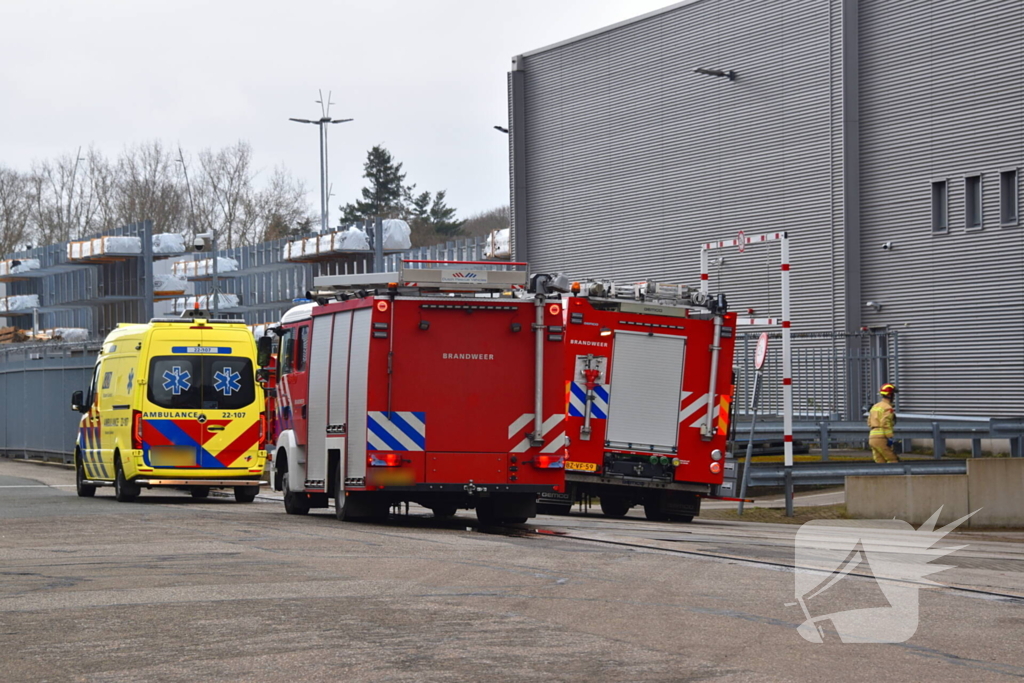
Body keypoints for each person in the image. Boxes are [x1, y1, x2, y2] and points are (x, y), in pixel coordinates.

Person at [868, 383, 899, 463]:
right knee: (892, 459)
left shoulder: (875, 406)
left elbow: (869, 422)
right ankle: (895, 475)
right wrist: (890, 437)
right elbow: (885, 423)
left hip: (872, 437)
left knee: (880, 461)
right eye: (893, 394)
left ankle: (881, 475)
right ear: (890, 395)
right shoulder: (888, 408)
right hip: (881, 438)